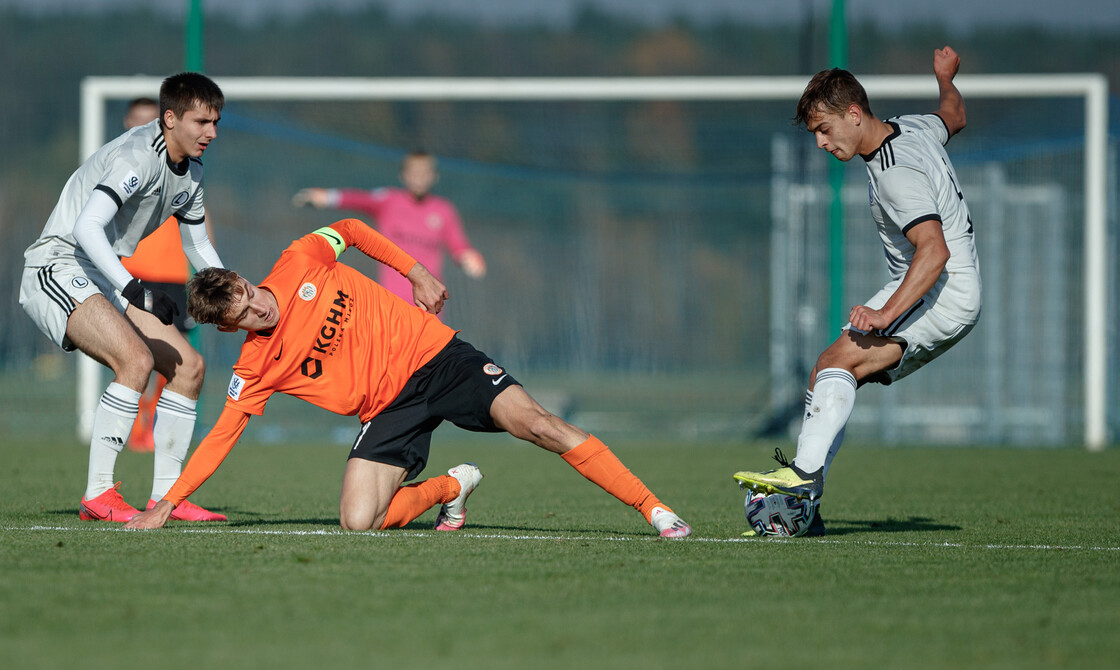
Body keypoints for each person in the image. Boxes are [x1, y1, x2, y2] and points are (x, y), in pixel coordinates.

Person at [126, 218, 691, 539]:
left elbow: (351, 229)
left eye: (250, 298)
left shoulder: (300, 258)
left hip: (439, 358)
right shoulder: (254, 367)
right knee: (357, 524)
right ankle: (450, 487)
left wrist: (416, 271)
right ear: (229, 330)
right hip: (389, 410)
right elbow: (222, 436)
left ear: (247, 281)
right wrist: (167, 504)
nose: (258, 312)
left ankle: (653, 508)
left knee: (538, 424)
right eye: (242, 317)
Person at [732, 46, 981, 536]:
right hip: (936, 288)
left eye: (825, 130)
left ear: (853, 113)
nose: (822, 143)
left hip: (942, 290)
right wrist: (945, 79)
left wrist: (886, 312)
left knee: (836, 365)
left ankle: (803, 482)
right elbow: (955, 114)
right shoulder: (912, 127)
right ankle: (809, 505)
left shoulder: (893, 172)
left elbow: (934, 252)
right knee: (829, 367)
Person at [19, 72, 229, 523]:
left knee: (188, 368)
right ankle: (99, 495)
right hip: (57, 264)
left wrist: (233, 290)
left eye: (215, 121)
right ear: (169, 118)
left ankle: (166, 498)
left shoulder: (191, 172)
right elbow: (86, 228)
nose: (211, 132)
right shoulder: (138, 157)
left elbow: (195, 245)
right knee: (135, 361)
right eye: (201, 122)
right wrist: (134, 289)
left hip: (102, 272)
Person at [292, 150, 486, 304]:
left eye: (424, 173)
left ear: (434, 177)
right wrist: (327, 197)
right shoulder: (389, 200)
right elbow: (358, 199)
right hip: (389, 301)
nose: (419, 178)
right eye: (414, 172)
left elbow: (458, 244)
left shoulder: (444, 210)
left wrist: (467, 257)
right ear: (404, 176)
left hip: (428, 302)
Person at [119, 97, 197, 453]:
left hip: (172, 275)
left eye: (149, 121)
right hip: (131, 272)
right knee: (132, 353)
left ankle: (152, 422)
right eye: (137, 120)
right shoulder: (121, 165)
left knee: (176, 359)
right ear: (125, 122)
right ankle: (132, 425)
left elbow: (199, 223)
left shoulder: (183, 169)